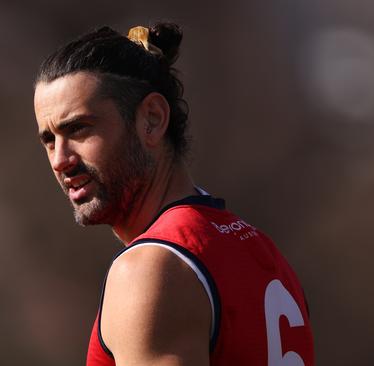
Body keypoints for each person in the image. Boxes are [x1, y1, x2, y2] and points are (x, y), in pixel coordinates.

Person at [33, 22, 315, 366]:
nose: (61, 159)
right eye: (49, 140)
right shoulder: (259, 250)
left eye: (78, 128)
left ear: (151, 119)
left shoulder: (150, 270)